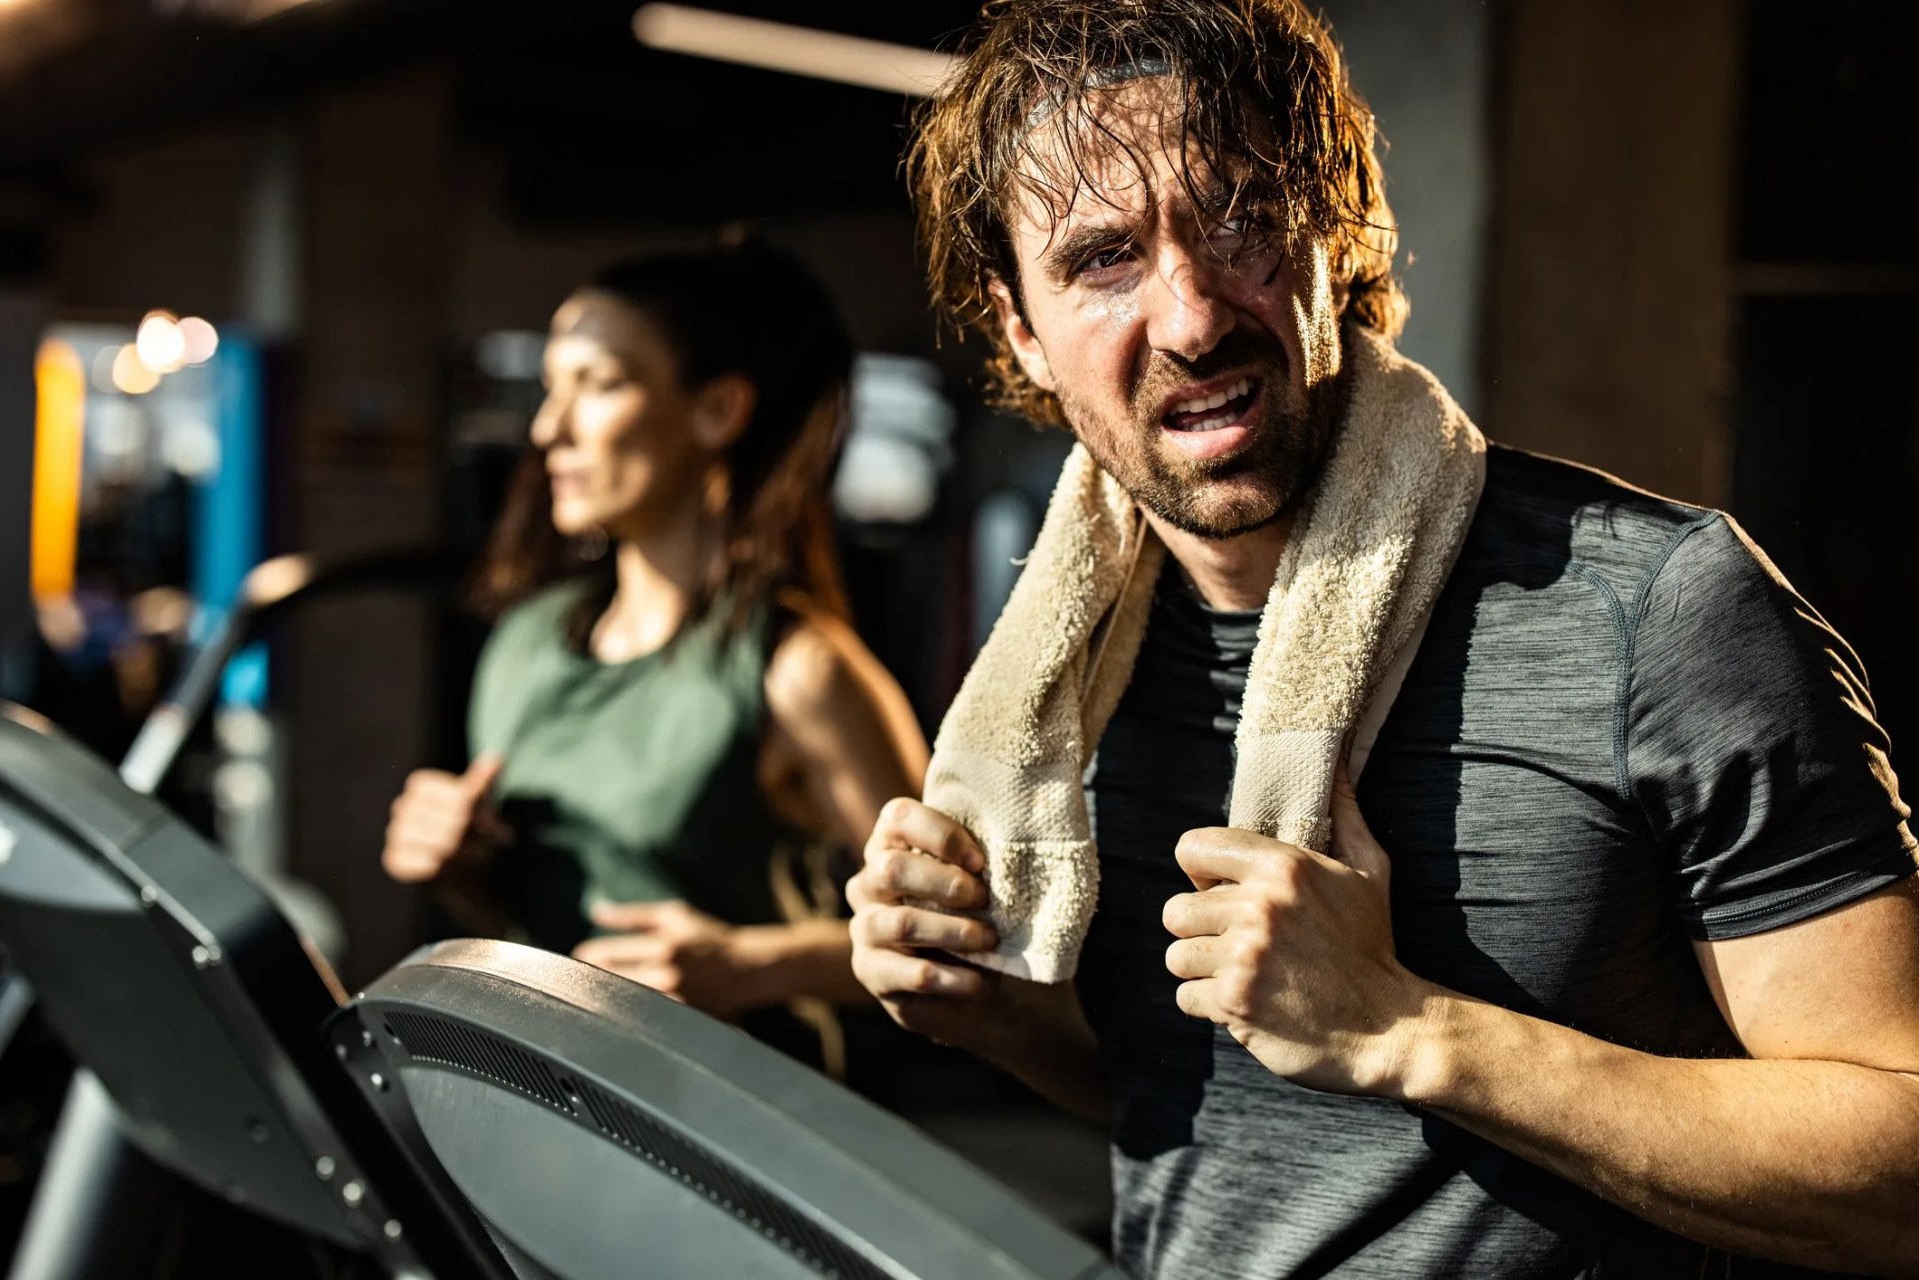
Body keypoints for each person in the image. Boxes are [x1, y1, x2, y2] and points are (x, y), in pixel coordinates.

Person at [847, 3, 1919, 1277]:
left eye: (1240, 216)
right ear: (1019, 326)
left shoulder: (1660, 607)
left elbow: (1899, 1166)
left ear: (1334, 238)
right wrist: (995, 1013)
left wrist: (1413, 1030)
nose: (1191, 317)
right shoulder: (1065, 684)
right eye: (1102, 259)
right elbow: (1208, 1096)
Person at [381, 237, 926, 1058]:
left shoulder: (803, 669)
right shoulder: (527, 643)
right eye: (548, 388)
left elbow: (953, 939)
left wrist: (752, 965)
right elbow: (539, 927)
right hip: (547, 1100)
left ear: (717, 411)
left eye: (598, 385)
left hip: (737, 1131)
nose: (547, 428)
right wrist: (458, 866)